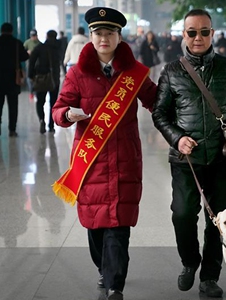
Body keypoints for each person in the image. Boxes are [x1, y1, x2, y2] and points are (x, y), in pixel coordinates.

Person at [51, 7, 157, 300]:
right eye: (98, 33)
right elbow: (58, 108)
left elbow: (155, 100)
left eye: (110, 33)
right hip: (91, 162)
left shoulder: (133, 72)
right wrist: (66, 115)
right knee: (96, 226)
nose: (104, 38)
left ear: (119, 36)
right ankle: (104, 269)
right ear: (91, 36)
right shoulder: (77, 73)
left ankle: (115, 285)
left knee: (119, 227)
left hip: (125, 159)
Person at [152, 8, 226, 297]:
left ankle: (210, 276)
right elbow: (160, 113)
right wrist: (177, 138)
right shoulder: (172, 71)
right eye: (192, 32)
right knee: (182, 214)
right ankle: (189, 262)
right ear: (184, 35)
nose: (198, 38)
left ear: (212, 33)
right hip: (186, 161)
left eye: (204, 32)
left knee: (219, 221)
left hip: (221, 157)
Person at [28, 30, 61, 134]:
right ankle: (51, 126)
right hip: (54, 79)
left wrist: (31, 75)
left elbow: (32, 60)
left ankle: (42, 120)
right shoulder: (58, 48)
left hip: (41, 78)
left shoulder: (40, 47)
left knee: (40, 102)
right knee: (53, 103)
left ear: (46, 36)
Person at [0, 22, 29, 137]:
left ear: (2, 30)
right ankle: (12, 130)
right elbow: (25, 57)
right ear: (12, 31)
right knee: (13, 106)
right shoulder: (17, 43)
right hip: (13, 78)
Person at [24, 29, 40, 101]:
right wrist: (27, 52)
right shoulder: (27, 42)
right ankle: (31, 91)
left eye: (34, 36)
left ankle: (36, 91)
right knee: (29, 78)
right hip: (29, 62)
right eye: (32, 36)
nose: (33, 37)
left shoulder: (39, 43)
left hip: (37, 63)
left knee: (36, 78)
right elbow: (23, 51)